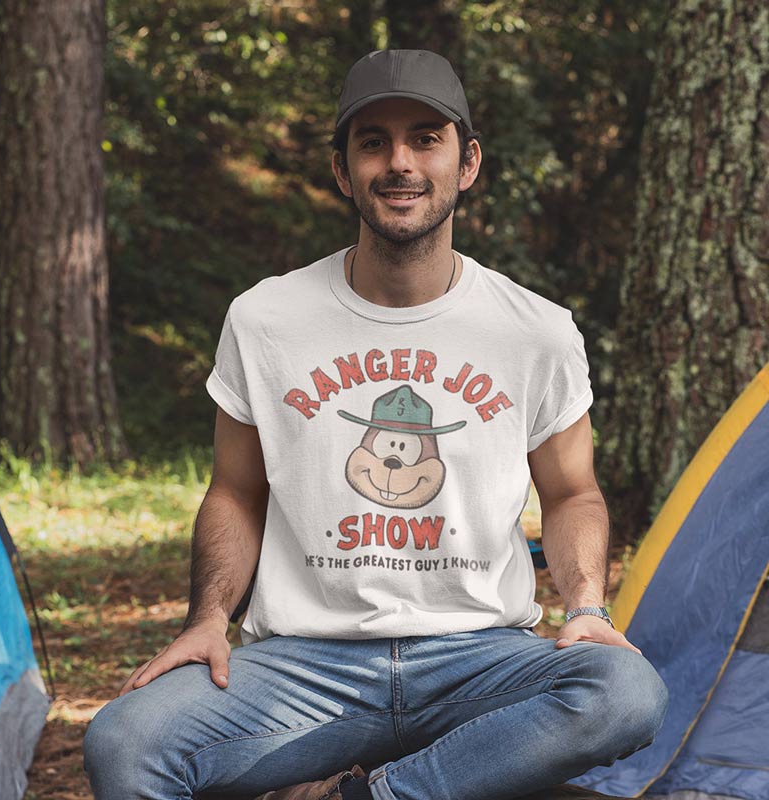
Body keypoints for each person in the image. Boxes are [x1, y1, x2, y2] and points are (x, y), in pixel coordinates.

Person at [83, 49, 668, 800]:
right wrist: (208, 618)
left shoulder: (536, 331)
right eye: (373, 141)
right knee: (124, 742)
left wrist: (586, 604)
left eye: (426, 138)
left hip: (480, 660)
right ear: (341, 169)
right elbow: (234, 492)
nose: (400, 162)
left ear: (468, 162)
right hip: (305, 671)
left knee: (625, 690)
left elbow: (573, 493)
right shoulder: (266, 320)